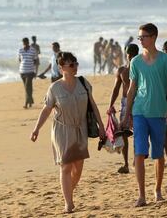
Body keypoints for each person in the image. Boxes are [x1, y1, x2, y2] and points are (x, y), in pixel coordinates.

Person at [30, 52, 105, 213]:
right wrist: (36, 129)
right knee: (65, 167)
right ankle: (68, 203)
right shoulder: (54, 88)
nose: (75, 67)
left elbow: (93, 105)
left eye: (76, 63)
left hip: (81, 129)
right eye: (71, 65)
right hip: (62, 130)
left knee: (78, 169)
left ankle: (68, 192)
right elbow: (46, 109)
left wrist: (102, 126)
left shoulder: (83, 83)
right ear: (61, 67)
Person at [122, 23, 167, 207]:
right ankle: (141, 195)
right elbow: (131, 90)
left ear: (153, 37)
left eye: (143, 37)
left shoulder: (165, 60)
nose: (140, 40)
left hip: (159, 112)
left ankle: (158, 190)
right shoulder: (136, 61)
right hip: (139, 112)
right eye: (139, 37)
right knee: (139, 152)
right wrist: (127, 113)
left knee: (158, 154)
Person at [108, 44, 139, 174]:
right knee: (124, 133)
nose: (130, 56)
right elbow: (116, 89)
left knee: (138, 132)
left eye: (133, 53)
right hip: (125, 102)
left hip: (139, 102)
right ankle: (126, 163)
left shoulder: (141, 69)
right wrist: (111, 105)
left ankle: (136, 160)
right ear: (126, 54)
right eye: (129, 54)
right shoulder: (122, 70)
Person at [19, 38, 37, 109]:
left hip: (30, 71)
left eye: (26, 42)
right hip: (22, 72)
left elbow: (36, 61)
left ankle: (26, 103)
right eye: (24, 42)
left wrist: (35, 71)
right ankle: (30, 101)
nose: (25, 44)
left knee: (27, 87)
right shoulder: (20, 50)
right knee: (27, 88)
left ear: (28, 42)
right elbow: (20, 60)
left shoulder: (33, 50)